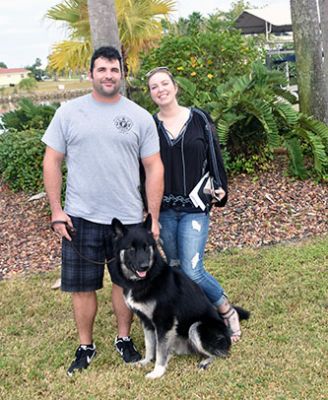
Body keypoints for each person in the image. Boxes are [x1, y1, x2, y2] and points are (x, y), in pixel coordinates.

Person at [42, 47, 164, 376]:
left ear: (121, 73)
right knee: (82, 287)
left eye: (114, 69)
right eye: (102, 69)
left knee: (124, 284)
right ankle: (86, 345)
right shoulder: (68, 113)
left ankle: (124, 339)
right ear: (91, 74)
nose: (108, 74)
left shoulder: (139, 116)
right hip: (80, 217)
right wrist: (57, 210)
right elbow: (51, 160)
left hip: (126, 221)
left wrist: (152, 218)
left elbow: (154, 167)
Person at [146, 67, 241, 343]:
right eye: (154, 86)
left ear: (175, 87)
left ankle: (225, 309)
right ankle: (184, 322)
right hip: (163, 209)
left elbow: (214, 154)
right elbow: (146, 170)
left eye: (165, 83)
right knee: (175, 268)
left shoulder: (198, 118)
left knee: (192, 269)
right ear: (151, 94)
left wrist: (221, 186)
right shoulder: (150, 125)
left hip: (195, 207)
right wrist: (146, 207)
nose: (161, 89)